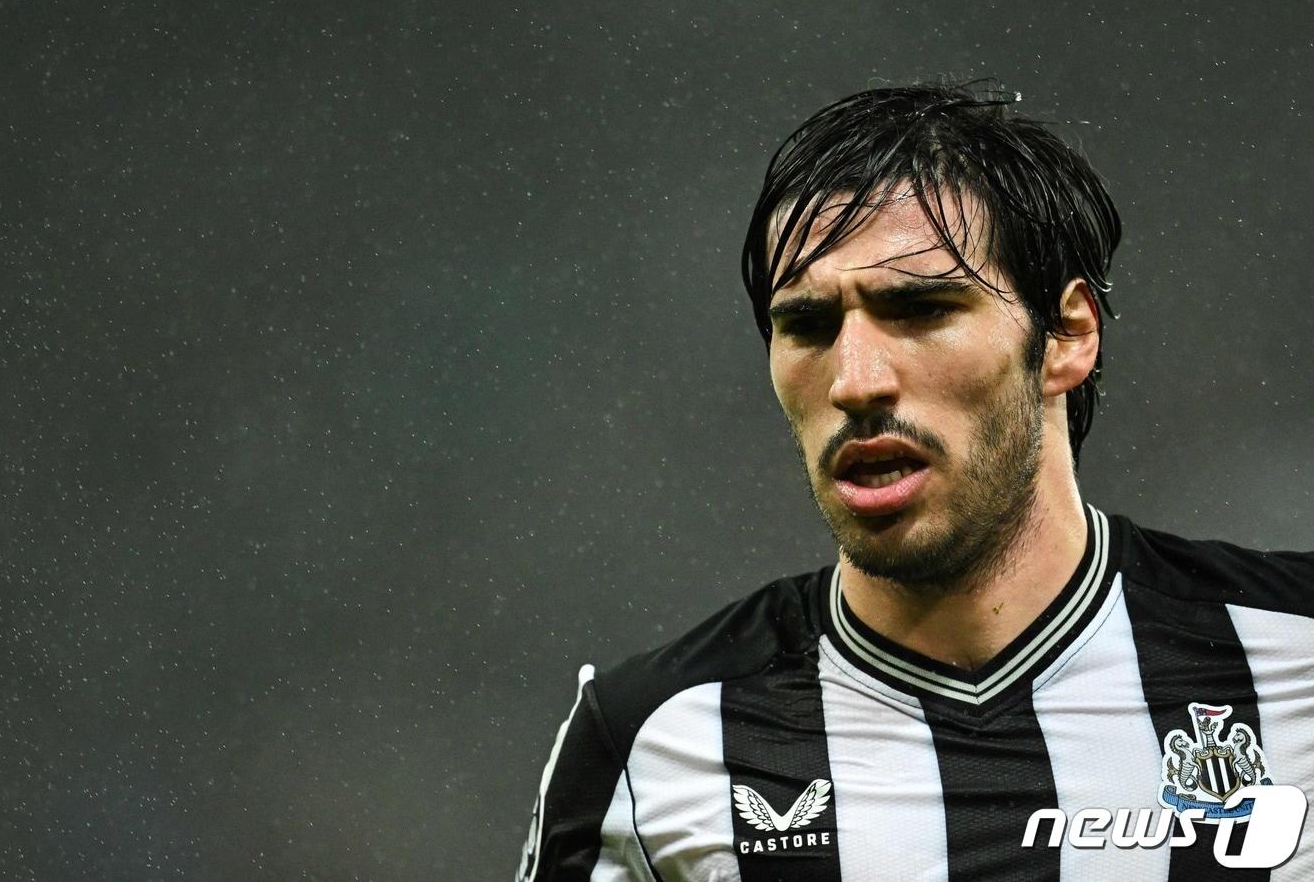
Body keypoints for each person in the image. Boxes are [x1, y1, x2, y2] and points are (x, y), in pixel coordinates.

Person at [515, 83, 1314, 881]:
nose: (856, 381)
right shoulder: (655, 740)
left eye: (921, 309)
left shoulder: (1295, 656)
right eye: (808, 325)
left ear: (1067, 334)